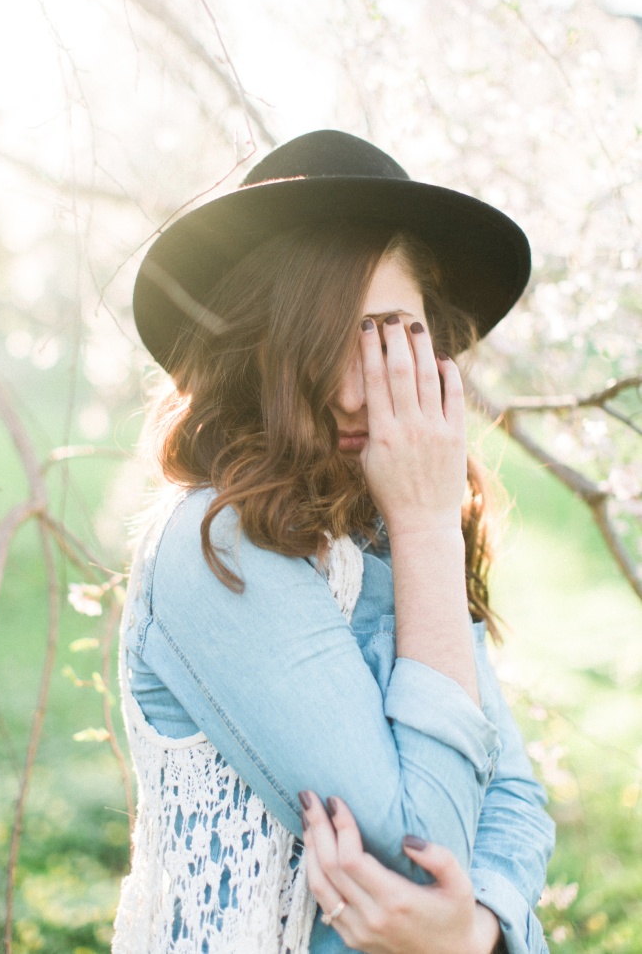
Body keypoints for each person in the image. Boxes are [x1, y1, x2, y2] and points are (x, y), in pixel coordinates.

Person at [113, 130, 555, 954]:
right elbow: (424, 854)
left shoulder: (387, 524)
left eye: (393, 335)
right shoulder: (216, 544)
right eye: (327, 338)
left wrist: (477, 934)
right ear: (260, 352)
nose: (361, 389)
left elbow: (517, 803)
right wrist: (428, 527)